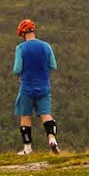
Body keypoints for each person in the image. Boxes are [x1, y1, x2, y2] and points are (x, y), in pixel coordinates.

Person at [13, 19, 59, 155]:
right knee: (46, 114)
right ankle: (52, 139)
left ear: (22, 34)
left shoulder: (21, 48)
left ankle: (27, 148)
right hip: (44, 87)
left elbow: (17, 69)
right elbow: (53, 65)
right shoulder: (46, 46)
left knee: (25, 116)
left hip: (27, 87)